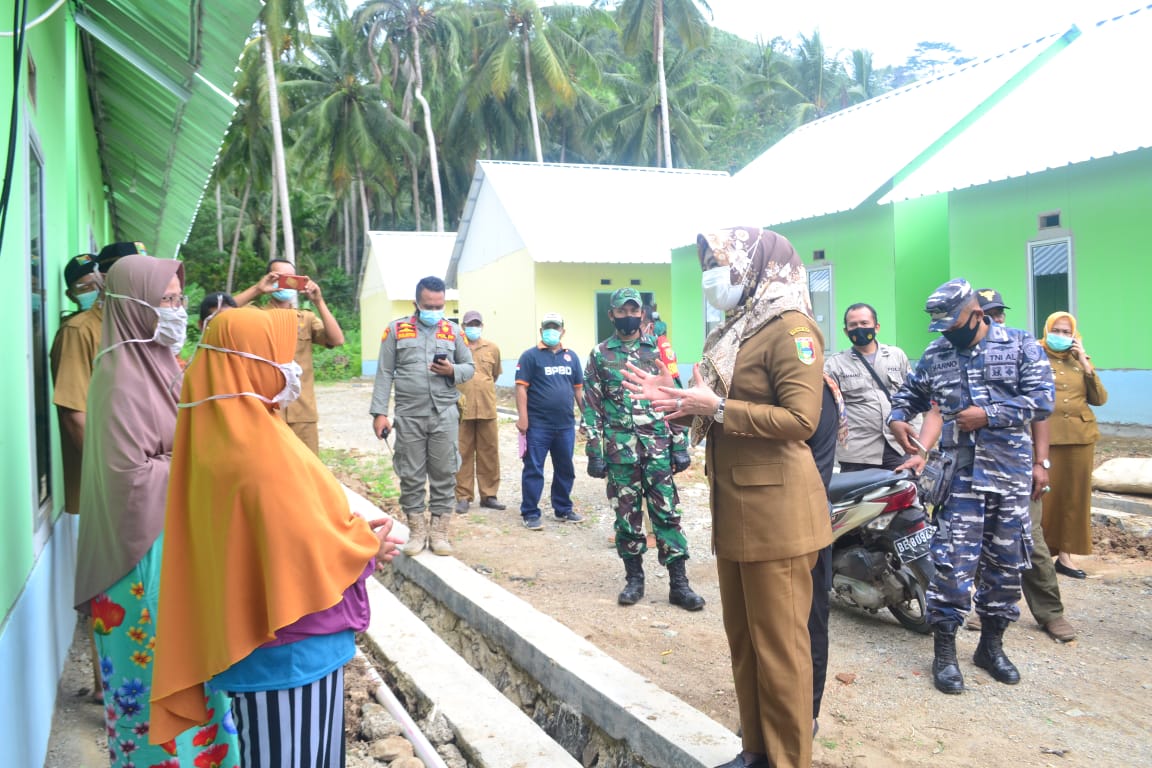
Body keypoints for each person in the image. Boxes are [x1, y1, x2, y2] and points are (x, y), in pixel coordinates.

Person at [150, 307, 400, 766]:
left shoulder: (230, 429)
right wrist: (366, 547)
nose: (292, 368)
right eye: (279, 356)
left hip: (289, 646)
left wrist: (355, 540)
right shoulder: (254, 451)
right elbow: (296, 542)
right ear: (250, 361)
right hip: (287, 652)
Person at [623, 226, 832, 768]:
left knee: (782, 651)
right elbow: (719, 406)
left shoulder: (791, 329)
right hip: (738, 510)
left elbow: (801, 420)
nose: (713, 279)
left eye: (721, 264)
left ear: (757, 264)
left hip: (779, 515)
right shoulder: (742, 326)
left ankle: (788, 760)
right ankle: (756, 751)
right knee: (745, 640)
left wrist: (714, 407)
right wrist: (684, 403)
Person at [73, 254, 239, 767]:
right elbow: (131, 477)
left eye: (178, 299)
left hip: (167, 545)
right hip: (138, 560)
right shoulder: (121, 377)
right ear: (134, 306)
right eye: (164, 301)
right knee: (154, 688)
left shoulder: (159, 362)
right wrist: (197, 459)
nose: (176, 310)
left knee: (192, 677)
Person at [887, 279, 1054, 695]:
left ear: (975, 312)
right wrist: (897, 417)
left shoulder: (1019, 346)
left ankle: (990, 648)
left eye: (953, 322)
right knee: (951, 567)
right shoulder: (937, 352)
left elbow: (1043, 401)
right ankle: (944, 654)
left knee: (1005, 568)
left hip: (1007, 478)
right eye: (940, 325)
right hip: (959, 479)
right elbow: (910, 393)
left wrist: (990, 414)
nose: (947, 331)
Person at [954, 289, 1077, 641]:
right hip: (972, 466)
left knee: (1031, 541)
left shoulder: (1023, 350)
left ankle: (1050, 612)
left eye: (999, 313)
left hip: (1015, 465)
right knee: (976, 541)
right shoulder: (959, 355)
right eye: (986, 312)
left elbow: (1041, 414)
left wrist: (1042, 462)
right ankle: (985, 608)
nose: (994, 318)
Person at [582, 288, 704, 611]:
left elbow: (675, 401)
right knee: (627, 517)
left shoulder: (659, 352)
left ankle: (679, 584)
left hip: (657, 448)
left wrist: (679, 445)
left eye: (633, 311)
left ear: (642, 315)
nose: (627, 317)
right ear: (612, 315)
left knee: (667, 513)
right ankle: (634, 580)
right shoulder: (599, 355)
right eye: (621, 312)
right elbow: (592, 406)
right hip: (620, 453)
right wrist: (594, 451)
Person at [371, 276, 474, 555]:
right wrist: (379, 413)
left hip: (444, 412)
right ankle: (417, 531)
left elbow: (470, 367)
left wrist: (452, 371)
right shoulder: (396, 330)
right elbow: (384, 373)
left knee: (445, 471)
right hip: (409, 414)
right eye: (429, 305)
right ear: (416, 303)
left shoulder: (453, 331)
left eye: (439, 305)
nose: (434, 310)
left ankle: (439, 533)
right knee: (411, 473)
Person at [235, 260, 345, 455]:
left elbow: (337, 339)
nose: (285, 284)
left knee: (307, 474)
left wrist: (318, 301)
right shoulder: (254, 316)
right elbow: (219, 313)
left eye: (291, 279)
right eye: (279, 278)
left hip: (302, 412)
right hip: (265, 411)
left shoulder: (306, 318)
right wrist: (257, 289)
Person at [1039, 311, 1108, 579]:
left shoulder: (1080, 361)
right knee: (1045, 496)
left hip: (1080, 438)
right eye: (1057, 330)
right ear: (1047, 330)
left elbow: (1100, 399)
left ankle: (1065, 557)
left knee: (1073, 498)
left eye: (1067, 332)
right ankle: (1041, 555)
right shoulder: (1034, 356)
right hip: (1047, 438)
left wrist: (1086, 363)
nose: (1062, 336)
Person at [823, 302, 916, 471]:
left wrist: (917, 438)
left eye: (864, 323)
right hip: (858, 453)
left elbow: (914, 396)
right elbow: (826, 411)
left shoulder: (896, 356)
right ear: (846, 331)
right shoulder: (834, 365)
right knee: (861, 498)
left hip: (898, 446)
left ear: (876, 327)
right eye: (853, 325)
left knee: (905, 494)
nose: (859, 328)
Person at [515, 312, 585, 531]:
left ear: (563, 331)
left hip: (565, 425)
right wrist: (523, 418)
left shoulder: (571, 357)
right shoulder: (530, 356)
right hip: (538, 425)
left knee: (565, 468)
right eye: (548, 327)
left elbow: (579, 391)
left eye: (556, 327)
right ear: (541, 331)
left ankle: (563, 508)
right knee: (534, 468)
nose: (552, 331)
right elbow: (520, 388)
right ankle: (530, 512)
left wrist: (588, 417)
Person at [807, 374, 846, 738]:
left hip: (806, 520)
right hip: (781, 521)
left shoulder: (815, 390)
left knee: (810, 619)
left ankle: (807, 713)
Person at [455, 310, 506, 514]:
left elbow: (494, 375)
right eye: (469, 324)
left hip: (486, 407)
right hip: (461, 409)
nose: (473, 328)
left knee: (489, 452)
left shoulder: (492, 348)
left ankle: (489, 495)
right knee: (462, 452)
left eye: (476, 324)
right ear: (463, 327)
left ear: (482, 326)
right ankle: (463, 496)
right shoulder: (456, 347)